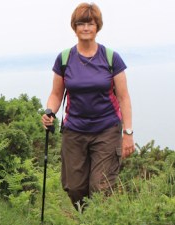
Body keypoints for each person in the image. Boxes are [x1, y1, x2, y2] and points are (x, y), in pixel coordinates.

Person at [41, 2, 135, 211]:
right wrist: (49, 112)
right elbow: (56, 94)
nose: (85, 28)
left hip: (107, 130)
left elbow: (124, 97)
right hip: (74, 130)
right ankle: (87, 217)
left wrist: (127, 133)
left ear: (97, 27)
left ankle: (96, 219)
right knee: (74, 187)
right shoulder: (65, 59)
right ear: (74, 27)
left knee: (101, 187)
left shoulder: (111, 58)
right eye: (81, 23)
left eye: (90, 23)